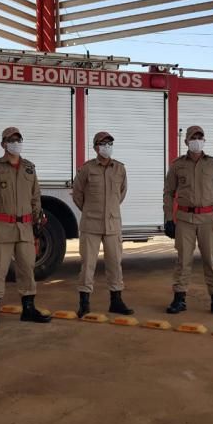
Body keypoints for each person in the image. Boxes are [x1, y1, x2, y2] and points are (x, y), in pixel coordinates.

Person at [0, 126, 51, 330]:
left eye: (18, 139)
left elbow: (35, 196)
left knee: (27, 268)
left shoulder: (29, 167)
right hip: (2, 227)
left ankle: (28, 309)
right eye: (11, 140)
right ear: (3, 144)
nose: (16, 143)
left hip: (25, 227)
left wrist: (37, 221)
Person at [162, 125, 213, 316]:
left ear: (204, 140)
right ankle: (179, 299)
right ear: (186, 142)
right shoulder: (177, 165)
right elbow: (169, 193)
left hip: (208, 219)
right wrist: (169, 218)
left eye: (200, 137)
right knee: (183, 261)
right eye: (193, 137)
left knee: (210, 260)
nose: (197, 140)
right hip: (184, 219)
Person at [72, 131, 133, 317]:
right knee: (88, 264)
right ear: (95, 147)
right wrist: (91, 211)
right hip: (91, 225)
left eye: (109, 143)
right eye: (103, 143)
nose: (107, 146)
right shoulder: (87, 169)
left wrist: (110, 211)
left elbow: (121, 193)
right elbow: (77, 194)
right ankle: (84, 302)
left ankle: (116, 301)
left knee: (115, 264)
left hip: (113, 225)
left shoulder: (120, 169)